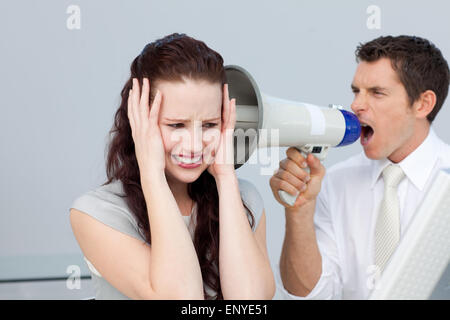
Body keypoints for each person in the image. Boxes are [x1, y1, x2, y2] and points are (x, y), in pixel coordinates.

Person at [69, 33, 275, 300]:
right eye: (176, 125)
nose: (194, 144)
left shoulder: (243, 199)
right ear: (139, 121)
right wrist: (152, 174)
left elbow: (249, 303)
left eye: (210, 124)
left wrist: (225, 178)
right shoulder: (96, 213)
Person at [270, 35, 450, 299]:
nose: (356, 105)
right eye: (356, 91)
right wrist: (299, 212)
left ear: (423, 104)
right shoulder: (336, 182)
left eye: (377, 93)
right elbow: (310, 295)